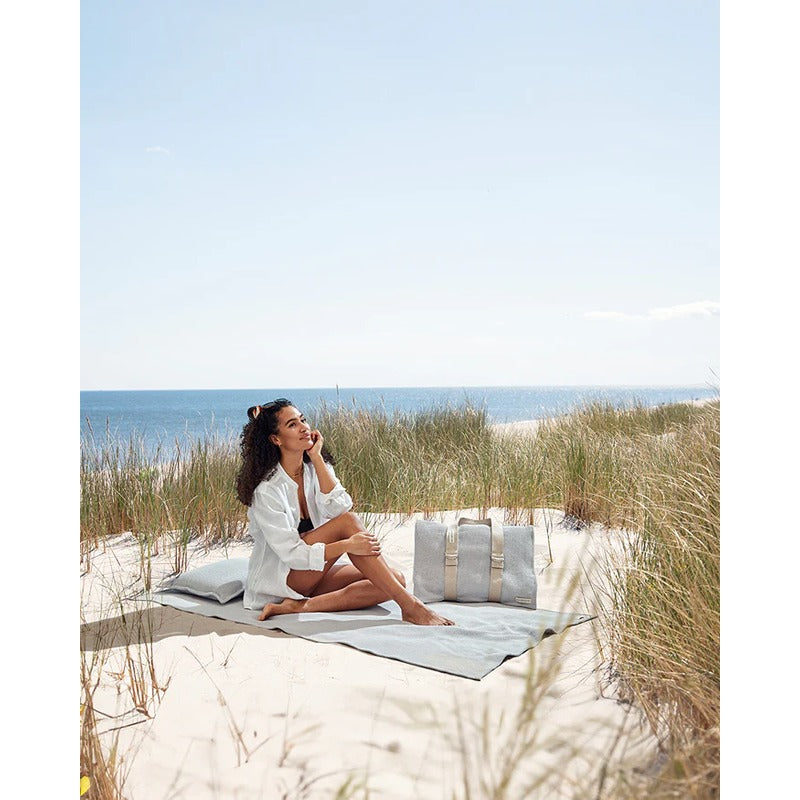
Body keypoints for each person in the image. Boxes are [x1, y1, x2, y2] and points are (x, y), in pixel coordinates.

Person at [236, 398, 455, 626]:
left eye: (303, 420)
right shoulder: (268, 491)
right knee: (348, 525)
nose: (304, 428)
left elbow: (340, 507)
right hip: (283, 579)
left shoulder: (314, 469)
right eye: (292, 425)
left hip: (313, 573)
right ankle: (411, 607)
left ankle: (300, 606)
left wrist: (317, 458)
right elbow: (293, 553)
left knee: (394, 581)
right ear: (275, 439)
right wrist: (347, 546)